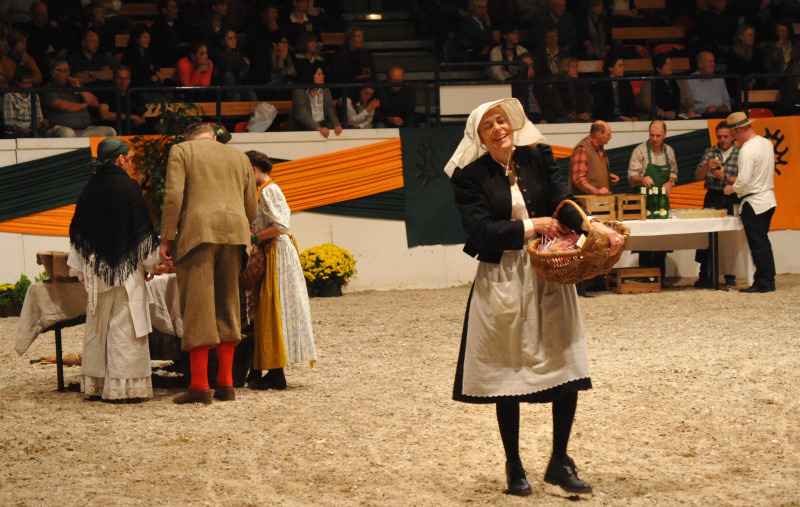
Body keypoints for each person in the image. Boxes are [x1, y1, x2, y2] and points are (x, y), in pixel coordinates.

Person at [445, 97, 624, 497]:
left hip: (549, 269)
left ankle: (559, 461)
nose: (498, 128)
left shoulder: (537, 155)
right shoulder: (469, 176)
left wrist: (591, 226)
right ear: (479, 136)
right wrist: (533, 225)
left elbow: (562, 202)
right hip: (503, 277)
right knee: (507, 369)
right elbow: (480, 231)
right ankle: (514, 466)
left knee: (565, 360)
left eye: (501, 120)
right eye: (488, 125)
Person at [160, 122, 258, 404]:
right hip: (235, 236)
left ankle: (200, 386)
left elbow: (173, 197)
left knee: (198, 308)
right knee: (229, 306)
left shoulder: (181, 151)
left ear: (190, 137)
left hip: (198, 234)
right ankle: (226, 384)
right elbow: (251, 206)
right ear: (214, 137)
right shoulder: (239, 157)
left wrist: (167, 238)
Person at [67, 137, 160, 402]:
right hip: (127, 270)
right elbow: (142, 231)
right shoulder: (129, 187)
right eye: (130, 158)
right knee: (126, 327)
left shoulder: (90, 188)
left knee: (98, 327)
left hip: (96, 270)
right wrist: (150, 264)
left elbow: (79, 234)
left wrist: (80, 270)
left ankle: (97, 384)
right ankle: (125, 389)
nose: (131, 164)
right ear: (120, 159)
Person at [245, 150, 316, 390]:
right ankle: (265, 369)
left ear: (254, 168)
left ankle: (275, 371)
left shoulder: (269, 190)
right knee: (267, 308)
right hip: (272, 249)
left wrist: (255, 237)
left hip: (276, 250)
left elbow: (281, 225)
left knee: (273, 306)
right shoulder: (265, 190)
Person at [723, 112, 777, 293]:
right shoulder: (766, 143)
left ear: (739, 130)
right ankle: (768, 279)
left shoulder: (746, 149)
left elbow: (743, 180)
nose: (733, 137)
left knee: (758, 244)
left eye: (732, 133)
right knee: (763, 242)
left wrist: (732, 188)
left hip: (754, 201)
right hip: (768, 198)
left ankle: (763, 282)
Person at [628, 120, 678, 283]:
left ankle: (659, 277)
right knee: (644, 240)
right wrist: (642, 179)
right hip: (644, 203)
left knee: (661, 239)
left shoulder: (669, 151)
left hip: (661, 202)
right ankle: (644, 277)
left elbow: (674, 173)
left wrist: (670, 182)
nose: (654, 139)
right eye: (652, 135)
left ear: (665, 135)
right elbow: (631, 177)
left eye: (658, 135)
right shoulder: (640, 150)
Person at [693, 120, 739, 288]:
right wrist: (707, 165)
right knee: (707, 235)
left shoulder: (740, 153)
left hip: (732, 196)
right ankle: (704, 274)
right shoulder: (710, 151)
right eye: (719, 137)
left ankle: (730, 274)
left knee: (730, 237)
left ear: (732, 136)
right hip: (713, 195)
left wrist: (723, 176)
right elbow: (698, 176)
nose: (722, 140)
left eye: (725, 136)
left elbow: (743, 179)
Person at [42, 57, 116, 138]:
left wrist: (79, 88)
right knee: (68, 133)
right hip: (60, 129)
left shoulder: (75, 85)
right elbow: (64, 106)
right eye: (64, 71)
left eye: (68, 70)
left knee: (109, 131)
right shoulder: (49, 88)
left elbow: (94, 102)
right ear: (54, 74)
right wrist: (85, 105)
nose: (68, 73)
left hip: (84, 130)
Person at [289, 61, 342, 138]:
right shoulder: (300, 91)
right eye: (319, 74)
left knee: (332, 128)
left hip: (322, 123)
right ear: (311, 76)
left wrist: (336, 124)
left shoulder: (325, 90)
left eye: (322, 74)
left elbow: (330, 108)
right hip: (305, 125)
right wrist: (317, 127)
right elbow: (302, 114)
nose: (323, 76)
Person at [637, 53, 696, 121]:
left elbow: (688, 99)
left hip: (678, 116)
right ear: (658, 68)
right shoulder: (649, 83)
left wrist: (691, 110)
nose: (671, 67)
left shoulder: (678, 81)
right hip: (656, 118)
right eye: (667, 64)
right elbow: (647, 104)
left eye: (671, 64)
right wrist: (662, 113)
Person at [569, 120, 617, 196]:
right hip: (585, 201)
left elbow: (591, 171)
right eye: (608, 135)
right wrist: (597, 192)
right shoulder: (582, 149)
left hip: (600, 201)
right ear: (599, 134)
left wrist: (608, 176)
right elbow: (578, 179)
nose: (611, 137)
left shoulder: (600, 149)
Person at [98, 66, 148, 134]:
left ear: (130, 80)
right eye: (119, 78)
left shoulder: (134, 94)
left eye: (126, 78)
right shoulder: (107, 93)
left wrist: (139, 122)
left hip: (133, 131)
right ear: (114, 79)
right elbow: (104, 115)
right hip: (112, 130)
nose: (123, 81)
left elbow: (142, 117)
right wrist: (130, 117)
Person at [209, 29, 257, 101]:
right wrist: (240, 63)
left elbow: (244, 70)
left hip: (237, 84)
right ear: (222, 41)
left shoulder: (238, 51)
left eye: (235, 38)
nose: (234, 40)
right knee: (228, 74)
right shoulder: (216, 52)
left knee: (251, 95)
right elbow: (223, 65)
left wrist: (225, 67)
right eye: (230, 38)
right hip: (221, 87)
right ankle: (231, 99)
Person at [2, 65, 47, 137]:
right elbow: (8, 122)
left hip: (34, 132)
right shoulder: (10, 96)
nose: (28, 86)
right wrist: (29, 125)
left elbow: (39, 118)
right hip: (16, 134)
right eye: (25, 83)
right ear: (17, 82)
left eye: (30, 82)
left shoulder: (34, 96)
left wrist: (42, 123)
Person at [593, 53, 637, 122]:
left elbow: (631, 103)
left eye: (623, 65)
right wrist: (619, 117)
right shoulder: (601, 84)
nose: (623, 68)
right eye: (620, 66)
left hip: (625, 118)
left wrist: (633, 116)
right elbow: (601, 109)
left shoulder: (625, 83)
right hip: (607, 119)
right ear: (610, 68)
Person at [686, 51, 731, 118]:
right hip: (702, 117)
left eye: (713, 61)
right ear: (700, 64)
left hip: (721, 115)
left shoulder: (719, 80)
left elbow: (727, 102)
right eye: (710, 61)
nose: (714, 64)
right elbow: (688, 106)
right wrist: (705, 110)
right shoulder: (690, 80)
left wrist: (725, 107)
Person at [121, 23, 162, 90]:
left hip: (151, 88)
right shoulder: (128, 56)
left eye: (149, 37)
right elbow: (131, 76)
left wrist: (156, 78)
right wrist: (148, 78)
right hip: (136, 88)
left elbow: (157, 71)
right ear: (136, 39)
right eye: (145, 37)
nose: (148, 39)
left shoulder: (152, 55)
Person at [556, 57, 592, 123]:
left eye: (576, 67)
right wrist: (571, 116)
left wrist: (586, 114)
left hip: (579, 114)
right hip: (565, 116)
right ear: (565, 69)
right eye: (573, 67)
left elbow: (586, 102)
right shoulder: (558, 85)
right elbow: (559, 107)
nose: (576, 69)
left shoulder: (581, 83)